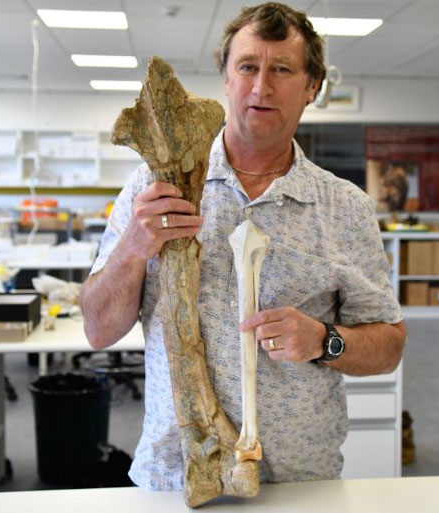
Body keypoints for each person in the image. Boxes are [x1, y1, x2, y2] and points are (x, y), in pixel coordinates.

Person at [80, 2, 405, 491]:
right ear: (226, 79)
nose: (261, 86)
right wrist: (132, 248)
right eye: (248, 67)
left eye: (282, 70)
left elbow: (389, 345)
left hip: (300, 481)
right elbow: (98, 330)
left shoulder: (344, 207)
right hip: (176, 476)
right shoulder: (151, 186)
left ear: (312, 87)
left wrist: (324, 340)